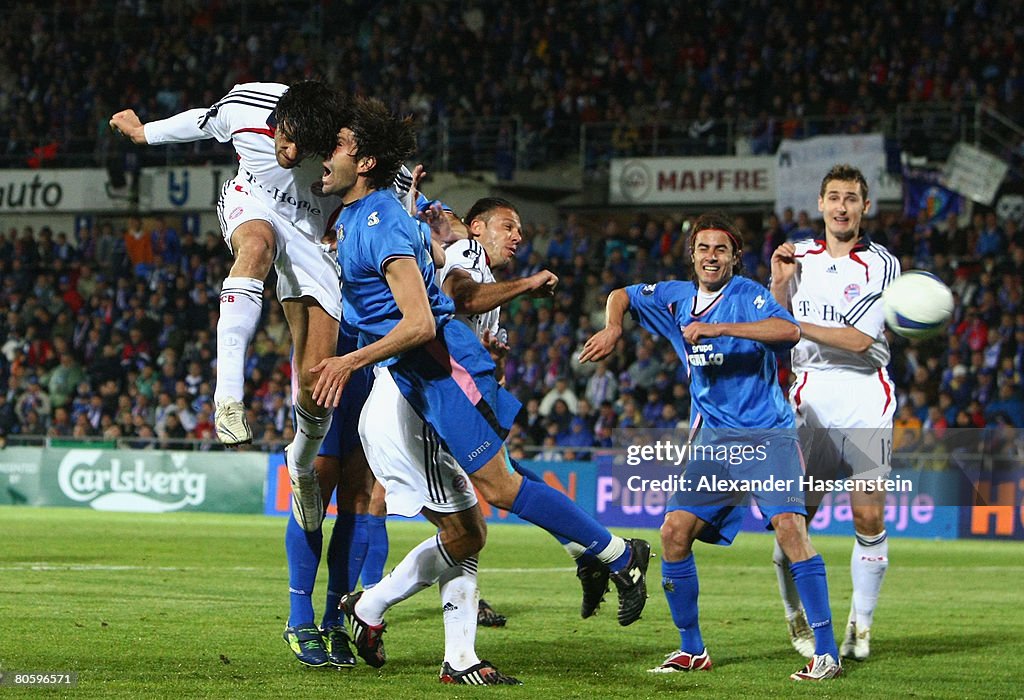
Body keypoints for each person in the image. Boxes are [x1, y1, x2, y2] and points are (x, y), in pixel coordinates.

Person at [307, 98, 650, 684]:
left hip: (442, 368)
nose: (324, 158)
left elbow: (421, 320)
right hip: (421, 377)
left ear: (362, 160)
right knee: (469, 526)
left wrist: (349, 358)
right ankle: (403, 626)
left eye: (335, 146)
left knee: (498, 490)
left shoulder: (378, 221)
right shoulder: (368, 217)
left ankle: (618, 556)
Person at [580, 211, 843, 681]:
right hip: (715, 441)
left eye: (721, 249)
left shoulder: (749, 296)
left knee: (789, 528)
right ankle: (692, 649)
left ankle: (826, 653)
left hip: (768, 434)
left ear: (735, 257)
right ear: (692, 255)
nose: (711, 256)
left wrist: (720, 330)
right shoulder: (676, 298)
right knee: (673, 533)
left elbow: (788, 332)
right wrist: (615, 327)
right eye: (703, 248)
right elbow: (621, 294)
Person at [111, 81, 353, 534]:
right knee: (256, 248)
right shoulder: (247, 106)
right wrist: (145, 133)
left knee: (316, 383)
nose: (289, 152)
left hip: (315, 238)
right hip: (252, 201)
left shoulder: (347, 142)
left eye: (303, 148)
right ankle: (227, 398)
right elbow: (200, 121)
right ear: (278, 120)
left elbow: (391, 180)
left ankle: (300, 467)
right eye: (286, 137)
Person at [769, 163, 900, 662]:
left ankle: (860, 629)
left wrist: (793, 322)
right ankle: (795, 615)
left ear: (865, 207)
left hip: (866, 394)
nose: (842, 206)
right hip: (809, 397)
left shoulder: (883, 264)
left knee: (867, 513)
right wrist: (780, 286)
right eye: (834, 197)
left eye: (852, 198)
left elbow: (861, 339)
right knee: (795, 520)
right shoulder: (795, 255)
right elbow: (771, 319)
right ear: (820, 205)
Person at [281, 326, 373, 668]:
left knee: (360, 498)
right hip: (325, 362)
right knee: (314, 492)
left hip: (373, 369)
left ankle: (334, 621)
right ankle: (299, 617)